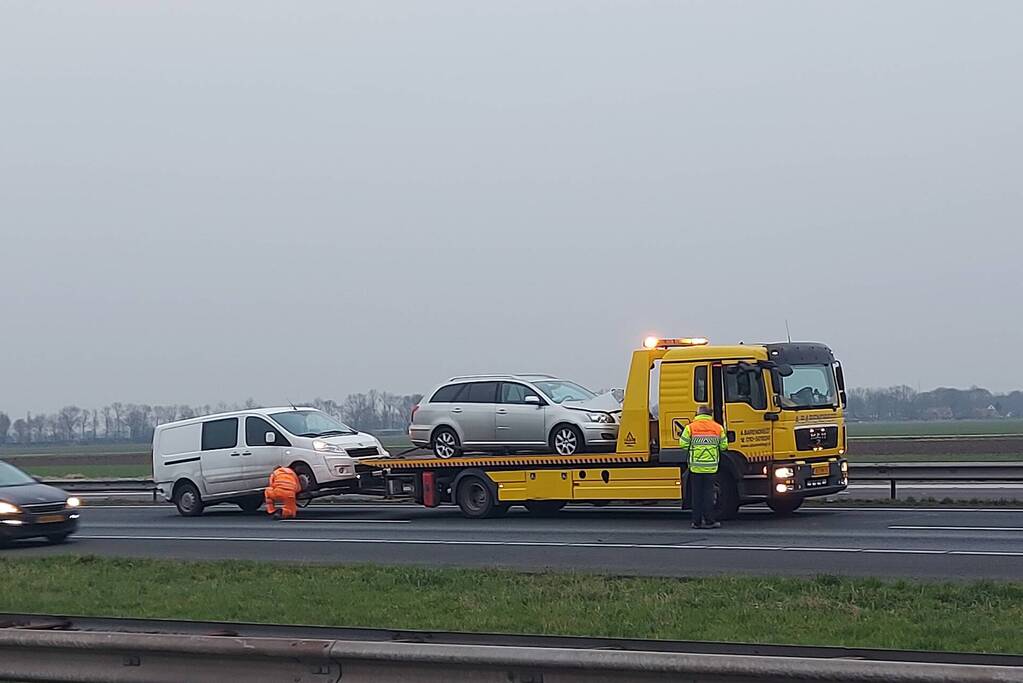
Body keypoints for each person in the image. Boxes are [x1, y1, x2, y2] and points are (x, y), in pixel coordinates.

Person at [680, 405, 729, 529]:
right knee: (708, 494)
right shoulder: (718, 428)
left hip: (695, 467)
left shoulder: (690, 427)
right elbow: (724, 446)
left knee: (696, 495)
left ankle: (696, 522)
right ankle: (709, 521)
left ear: (698, 414)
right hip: (711, 467)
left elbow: (683, 444)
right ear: (709, 415)